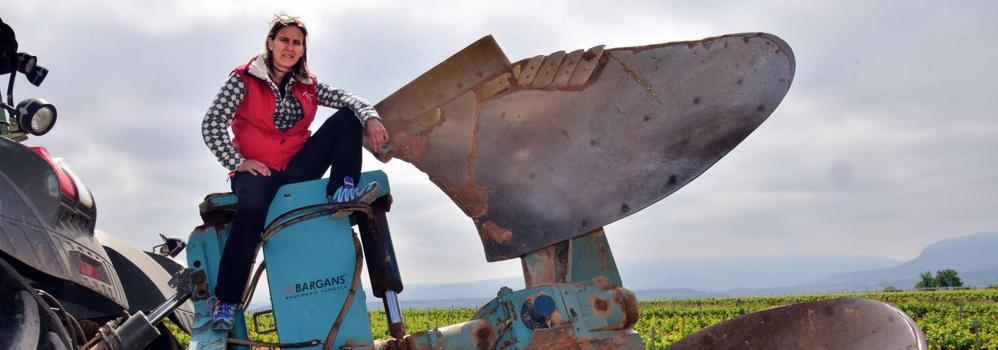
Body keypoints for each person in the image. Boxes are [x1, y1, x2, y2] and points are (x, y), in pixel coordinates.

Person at [200, 14, 388, 330]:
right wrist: (236, 161)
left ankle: (342, 191)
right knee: (253, 210)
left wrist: (371, 117)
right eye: (284, 40)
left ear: (302, 50)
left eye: (297, 42)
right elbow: (212, 123)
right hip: (257, 171)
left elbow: (347, 98)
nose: (290, 47)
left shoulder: (308, 85)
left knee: (347, 117)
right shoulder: (243, 79)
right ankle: (227, 301)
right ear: (271, 43)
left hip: (297, 165)